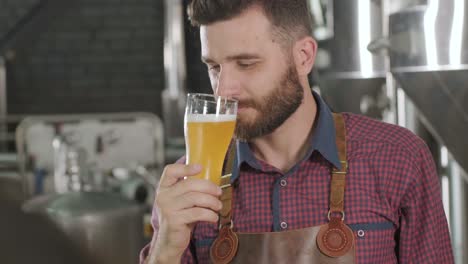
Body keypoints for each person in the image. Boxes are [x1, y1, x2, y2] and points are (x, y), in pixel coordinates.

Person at [141, 0, 454, 263]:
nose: (224, 89)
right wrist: (164, 251)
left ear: (303, 56)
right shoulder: (189, 187)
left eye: (246, 63)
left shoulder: (398, 158)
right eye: (214, 67)